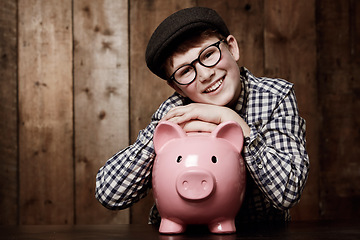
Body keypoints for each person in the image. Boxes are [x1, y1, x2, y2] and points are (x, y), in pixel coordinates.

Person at [95, 7, 309, 225]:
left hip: (260, 231)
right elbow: (109, 194)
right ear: (176, 87)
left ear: (232, 48)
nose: (206, 75)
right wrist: (161, 136)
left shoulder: (275, 98)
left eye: (208, 54)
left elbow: (288, 193)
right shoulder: (176, 111)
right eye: (186, 71)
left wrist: (234, 122)